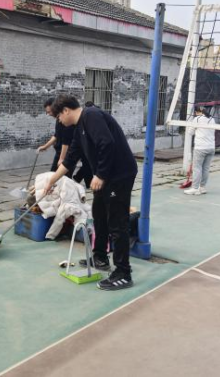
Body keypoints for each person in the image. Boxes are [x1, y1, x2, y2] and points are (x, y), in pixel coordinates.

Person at [44, 95, 139, 292]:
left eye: (58, 116)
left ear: (66, 111)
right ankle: (100, 258)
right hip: (107, 177)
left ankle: (123, 273)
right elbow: (70, 159)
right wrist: (52, 181)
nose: (59, 121)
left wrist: (100, 175)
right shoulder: (79, 128)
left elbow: (107, 143)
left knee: (117, 222)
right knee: (99, 215)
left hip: (119, 175)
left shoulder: (91, 115)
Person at [38, 98, 75, 178]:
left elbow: (66, 141)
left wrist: (62, 158)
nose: (49, 114)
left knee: (64, 178)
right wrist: (45, 146)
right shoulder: (58, 119)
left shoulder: (65, 120)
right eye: (47, 112)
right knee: (53, 175)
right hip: (59, 152)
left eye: (49, 112)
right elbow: (56, 135)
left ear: (55, 108)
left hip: (67, 154)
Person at [185, 106, 216, 196]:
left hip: (200, 147)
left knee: (197, 168)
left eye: (195, 112)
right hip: (211, 147)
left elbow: (190, 132)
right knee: (206, 168)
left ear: (198, 112)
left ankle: (195, 188)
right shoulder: (212, 119)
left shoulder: (197, 119)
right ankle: (202, 188)